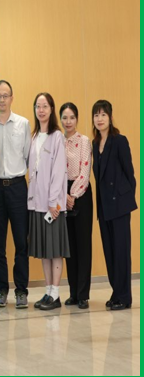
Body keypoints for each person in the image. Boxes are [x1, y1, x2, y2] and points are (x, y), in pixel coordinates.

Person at [0, 80, 31, 308]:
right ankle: (1, 289)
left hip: (17, 186)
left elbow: (28, 157)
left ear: (12, 98)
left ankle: (21, 291)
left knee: (21, 241)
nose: (2, 99)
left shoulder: (23, 124)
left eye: (5, 95)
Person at [91, 100, 137, 311]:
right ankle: (116, 292)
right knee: (109, 252)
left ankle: (125, 297)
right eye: (96, 115)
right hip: (104, 207)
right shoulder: (95, 144)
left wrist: (124, 199)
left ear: (110, 117)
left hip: (119, 206)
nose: (99, 119)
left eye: (103, 115)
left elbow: (130, 174)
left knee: (121, 252)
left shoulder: (119, 141)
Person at [28, 92, 69, 311]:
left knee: (55, 251)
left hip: (52, 206)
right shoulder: (34, 136)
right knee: (44, 251)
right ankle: (47, 291)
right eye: (38, 106)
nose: (41, 110)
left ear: (51, 109)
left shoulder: (57, 136)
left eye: (45, 106)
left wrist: (53, 202)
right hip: (37, 204)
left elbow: (58, 171)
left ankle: (56, 294)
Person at [60, 102, 93, 310]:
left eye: (72, 117)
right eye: (64, 117)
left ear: (77, 119)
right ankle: (73, 293)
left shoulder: (84, 141)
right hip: (62, 194)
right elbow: (55, 171)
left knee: (83, 245)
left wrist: (72, 195)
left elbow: (85, 171)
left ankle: (83, 294)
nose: (68, 121)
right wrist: (63, 195)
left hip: (81, 193)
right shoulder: (57, 141)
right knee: (69, 247)